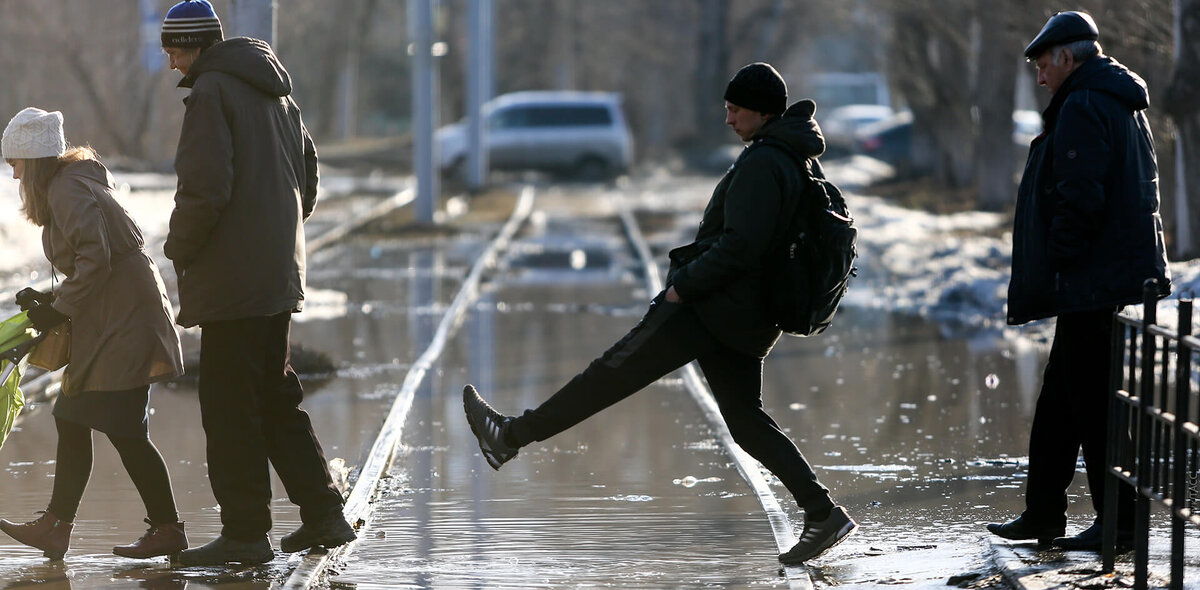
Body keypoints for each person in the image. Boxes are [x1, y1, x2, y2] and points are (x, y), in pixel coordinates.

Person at [463, 62, 856, 565]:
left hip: (711, 308)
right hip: (745, 316)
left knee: (612, 371)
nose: (729, 119)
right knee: (745, 420)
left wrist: (681, 289)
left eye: (736, 110)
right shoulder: (791, 155)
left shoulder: (766, 161)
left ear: (762, 111)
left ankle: (510, 436)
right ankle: (823, 513)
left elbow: (742, 246)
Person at [158, 0, 354, 566]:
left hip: (234, 280)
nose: (170, 61)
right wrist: (278, 232)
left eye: (173, 48)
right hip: (274, 274)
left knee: (227, 406)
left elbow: (204, 188)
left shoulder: (213, 94)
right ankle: (323, 515)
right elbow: (308, 171)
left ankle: (245, 532)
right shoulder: (275, 92)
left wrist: (179, 248)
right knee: (275, 396)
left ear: (193, 45)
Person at [988, 11, 1170, 552]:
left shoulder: (1086, 103)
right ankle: (1043, 513)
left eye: (1045, 65)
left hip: (1093, 277)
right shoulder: (1105, 98)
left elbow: (1081, 194)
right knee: (1061, 402)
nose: (1041, 77)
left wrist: (1061, 262)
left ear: (1068, 57)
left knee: (1094, 406)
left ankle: (1121, 525)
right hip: (1103, 274)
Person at [0, 107, 187, 561]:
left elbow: (96, 258)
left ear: (35, 158)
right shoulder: (70, 185)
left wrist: (58, 307)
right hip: (116, 315)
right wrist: (51, 303)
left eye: (16, 162)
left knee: (117, 426)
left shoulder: (66, 189)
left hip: (124, 320)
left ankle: (162, 528)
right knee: (82, 417)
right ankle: (58, 526)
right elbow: (94, 259)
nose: (12, 172)